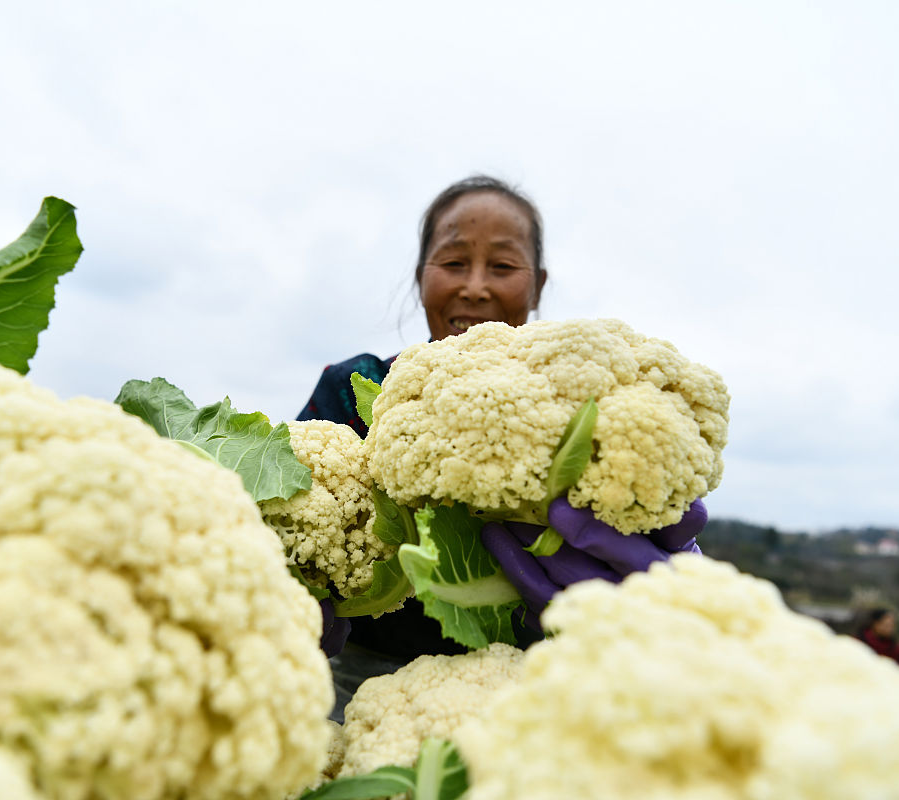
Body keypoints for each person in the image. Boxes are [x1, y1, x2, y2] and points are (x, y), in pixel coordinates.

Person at [298, 176, 707, 709]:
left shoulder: (587, 405)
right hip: (361, 679)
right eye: (453, 263)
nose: (475, 287)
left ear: (537, 286)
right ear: (422, 278)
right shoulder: (352, 389)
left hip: (533, 682)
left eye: (503, 266)